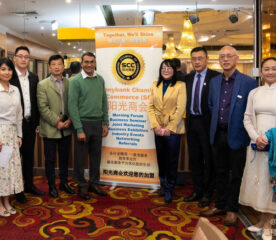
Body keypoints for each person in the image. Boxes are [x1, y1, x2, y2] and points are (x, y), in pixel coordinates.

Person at [200, 46, 257, 226]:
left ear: (236, 59)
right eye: (222, 57)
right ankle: (220, 204)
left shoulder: (248, 82)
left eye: (229, 56)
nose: (225, 59)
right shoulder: (215, 82)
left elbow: (251, 110)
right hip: (218, 134)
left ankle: (233, 209)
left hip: (237, 135)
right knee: (220, 172)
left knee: (237, 175)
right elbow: (210, 105)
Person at [239, 57, 276, 240]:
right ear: (261, 72)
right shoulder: (255, 92)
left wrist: (271, 138)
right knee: (259, 182)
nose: (270, 72)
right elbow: (247, 118)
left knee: (272, 183)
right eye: (267, 69)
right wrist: (256, 137)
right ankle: (262, 220)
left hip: (275, 145)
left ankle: (270, 224)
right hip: (256, 144)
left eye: (274, 68)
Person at [68, 52, 109, 200]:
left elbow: (104, 101)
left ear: (95, 63)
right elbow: (72, 106)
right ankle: (81, 185)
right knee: (79, 158)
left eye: (92, 62)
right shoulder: (75, 81)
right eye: (86, 62)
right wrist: (79, 129)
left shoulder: (100, 80)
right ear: (81, 63)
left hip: (97, 123)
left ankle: (94, 183)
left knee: (96, 156)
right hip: (82, 123)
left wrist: (105, 122)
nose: (89, 64)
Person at [184, 47, 220, 208]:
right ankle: (197, 191)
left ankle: (207, 193)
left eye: (200, 58)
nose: (196, 62)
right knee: (195, 159)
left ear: (207, 60)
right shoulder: (188, 78)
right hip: (192, 123)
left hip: (208, 124)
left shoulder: (216, 77)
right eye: (194, 59)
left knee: (209, 160)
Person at [148, 59, 186, 204]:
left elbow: (180, 108)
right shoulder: (155, 85)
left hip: (173, 130)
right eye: (163, 67)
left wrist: (170, 128)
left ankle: (170, 189)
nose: (166, 70)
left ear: (174, 70)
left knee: (171, 160)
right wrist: (155, 126)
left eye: (169, 68)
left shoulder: (180, 86)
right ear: (160, 70)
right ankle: (163, 186)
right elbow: (150, 107)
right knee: (161, 159)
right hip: (158, 129)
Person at [37, 55, 75, 198]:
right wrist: (57, 122)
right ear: (49, 67)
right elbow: (43, 107)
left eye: (60, 64)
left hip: (67, 127)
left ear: (64, 67)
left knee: (65, 158)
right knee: (50, 160)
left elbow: (73, 102)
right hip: (51, 128)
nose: (57, 67)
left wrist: (70, 119)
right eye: (54, 64)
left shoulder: (69, 83)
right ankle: (52, 186)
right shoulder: (42, 85)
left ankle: (64, 183)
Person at [10, 46, 45, 203]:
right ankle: (17, 190)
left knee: (29, 157)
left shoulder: (34, 77)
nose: (24, 59)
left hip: (30, 124)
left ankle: (29, 185)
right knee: (15, 158)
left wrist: (37, 122)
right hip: (14, 126)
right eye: (21, 56)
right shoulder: (9, 77)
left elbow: (36, 102)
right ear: (14, 59)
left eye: (26, 57)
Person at [0, 58, 23, 216]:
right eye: (3, 69)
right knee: (1, 170)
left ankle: (6, 200)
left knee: (10, 170)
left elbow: (19, 114)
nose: (7, 72)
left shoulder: (15, 89)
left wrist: (19, 134)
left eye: (9, 69)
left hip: (13, 134)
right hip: (0, 134)